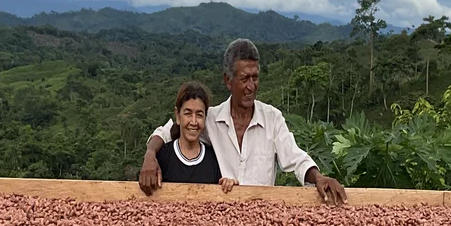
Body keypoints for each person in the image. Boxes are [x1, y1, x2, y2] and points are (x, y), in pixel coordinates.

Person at [139, 38, 347, 205]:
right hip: (222, 215)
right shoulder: (210, 118)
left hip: (263, 214)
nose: (251, 86)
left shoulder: (271, 118)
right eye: (244, 79)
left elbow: (295, 158)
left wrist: (318, 177)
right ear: (228, 81)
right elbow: (166, 132)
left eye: (255, 78)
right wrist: (150, 155)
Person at [156, 80, 238, 192]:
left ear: (205, 118)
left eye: (199, 115)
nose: (194, 122)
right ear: (178, 116)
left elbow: (220, 193)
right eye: (188, 114)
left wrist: (229, 185)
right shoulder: (163, 156)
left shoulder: (214, 158)